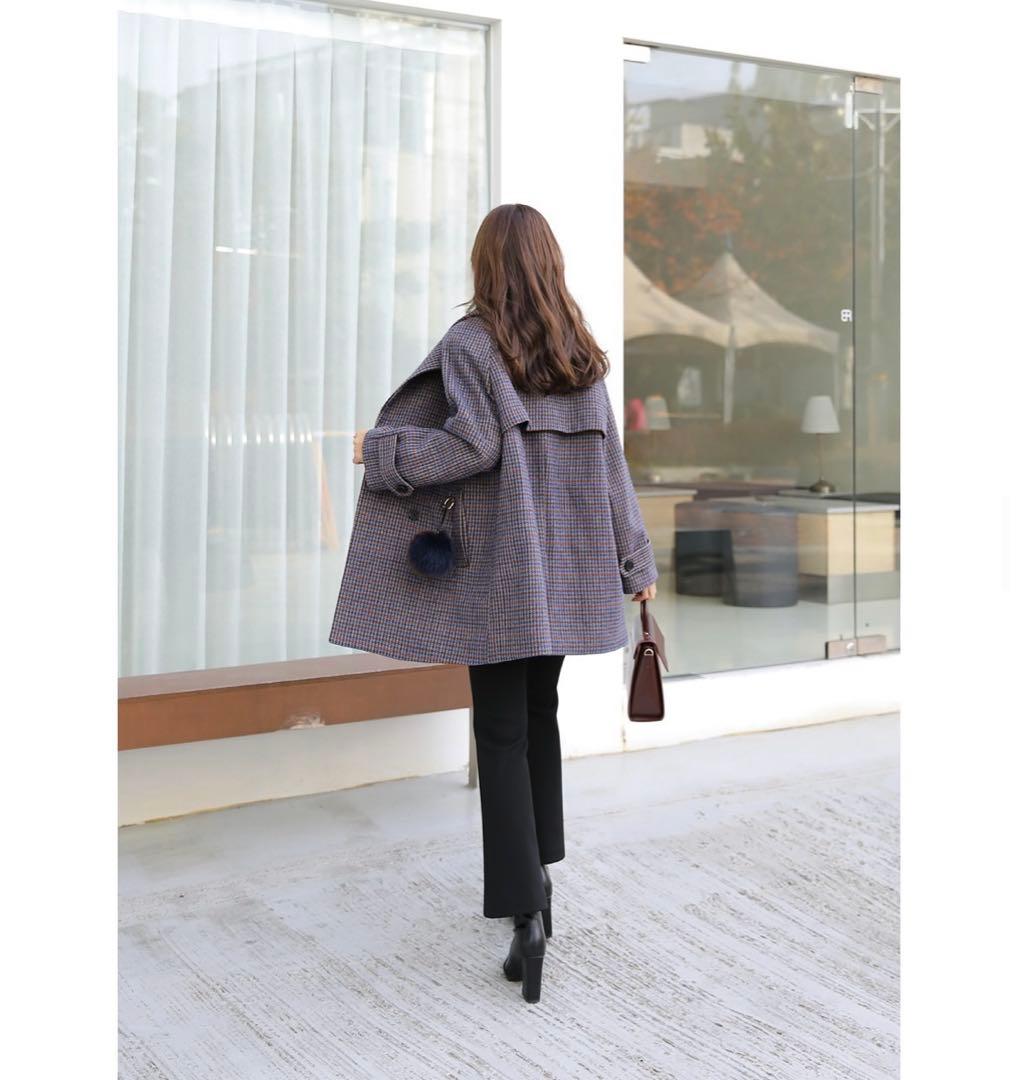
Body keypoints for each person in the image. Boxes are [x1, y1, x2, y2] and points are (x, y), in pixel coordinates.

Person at [329, 203, 657, 1004]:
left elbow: (470, 445)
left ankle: (525, 913)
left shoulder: (474, 344)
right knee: (538, 718)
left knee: (501, 732)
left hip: (505, 579)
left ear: (485, 265)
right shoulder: (579, 354)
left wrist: (382, 452)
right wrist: (634, 562)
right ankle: (539, 879)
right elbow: (612, 468)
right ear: (550, 264)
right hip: (568, 573)